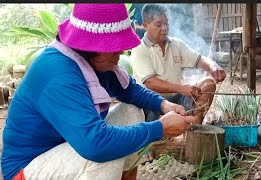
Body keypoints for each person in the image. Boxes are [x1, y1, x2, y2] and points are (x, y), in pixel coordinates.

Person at [1, 4, 199, 180]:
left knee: (132, 112)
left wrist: (165, 105)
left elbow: (130, 90)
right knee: (105, 155)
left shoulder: (93, 62)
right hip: (27, 168)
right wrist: (159, 128)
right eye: (113, 48)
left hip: (68, 147)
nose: (120, 54)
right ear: (89, 45)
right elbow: (95, 145)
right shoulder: (58, 72)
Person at [130, 4, 226, 124]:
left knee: (208, 84)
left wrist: (214, 67)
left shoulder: (176, 44)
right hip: (152, 103)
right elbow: (150, 83)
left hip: (176, 98)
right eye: (159, 25)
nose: (164, 28)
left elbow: (200, 60)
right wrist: (182, 88)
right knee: (152, 108)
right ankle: (161, 127)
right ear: (145, 25)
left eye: (166, 23)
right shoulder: (139, 49)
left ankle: (195, 127)